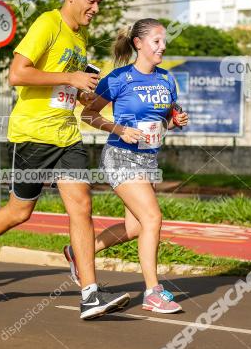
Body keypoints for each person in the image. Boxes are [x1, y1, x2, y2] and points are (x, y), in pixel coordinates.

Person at [0, 0, 131, 320]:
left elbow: (65, 88)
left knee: (81, 206)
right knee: (21, 211)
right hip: (33, 135)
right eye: (91, 1)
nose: (95, 8)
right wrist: (69, 76)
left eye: (99, 3)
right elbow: (17, 74)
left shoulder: (79, 39)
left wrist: (83, 93)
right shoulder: (47, 24)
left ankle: (89, 293)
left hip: (66, 134)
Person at [74, 18, 190, 314]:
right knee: (152, 219)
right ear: (138, 44)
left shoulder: (167, 79)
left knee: (135, 226)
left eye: (164, 42)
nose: (162, 47)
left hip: (148, 159)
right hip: (121, 157)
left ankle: (79, 253)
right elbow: (89, 115)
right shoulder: (119, 78)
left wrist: (174, 122)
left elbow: (164, 119)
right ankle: (153, 292)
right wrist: (118, 129)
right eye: (156, 41)